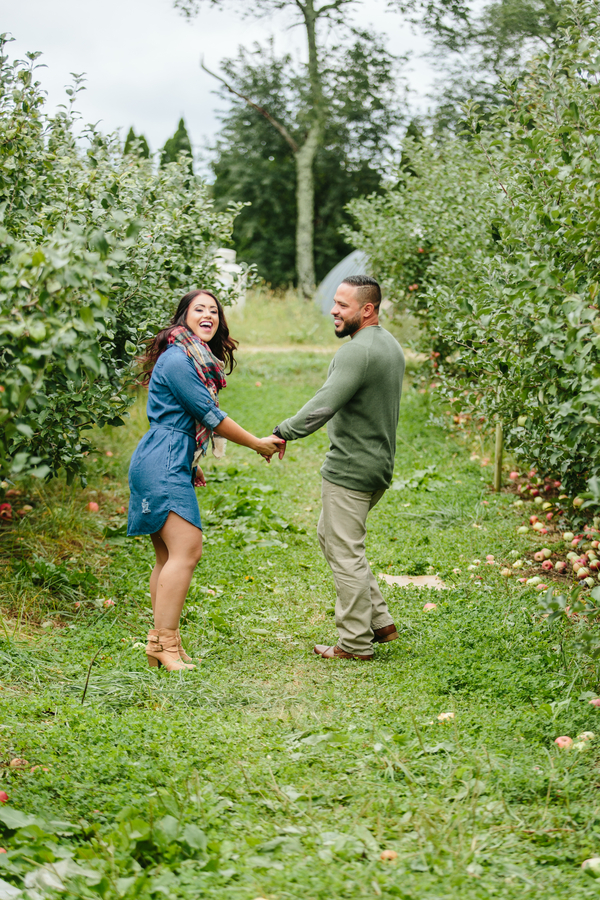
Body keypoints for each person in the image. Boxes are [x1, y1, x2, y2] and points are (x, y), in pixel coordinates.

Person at [128, 289, 284, 672]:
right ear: (184, 316)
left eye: (214, 310)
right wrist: (257, 443)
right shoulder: (179, 360)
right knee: (187, 549)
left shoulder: (188, 356)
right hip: (164, 460)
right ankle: (163, 644)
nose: (208, 315)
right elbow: (209, 415)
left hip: (163, 457)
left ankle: (164, 644)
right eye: (199, 309)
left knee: (169, 556)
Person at [273, 275, 405, 661]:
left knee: (345, 552)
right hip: (377, 465)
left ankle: (355, 642)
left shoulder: (356, 352)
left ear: (367, 309)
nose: (333, 310)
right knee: (331, 538)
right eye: (335, 302)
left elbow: (323, 404)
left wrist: (283, 432)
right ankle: (380, 622)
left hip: (351, 468)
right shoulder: (389, 344)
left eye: (343, 305)